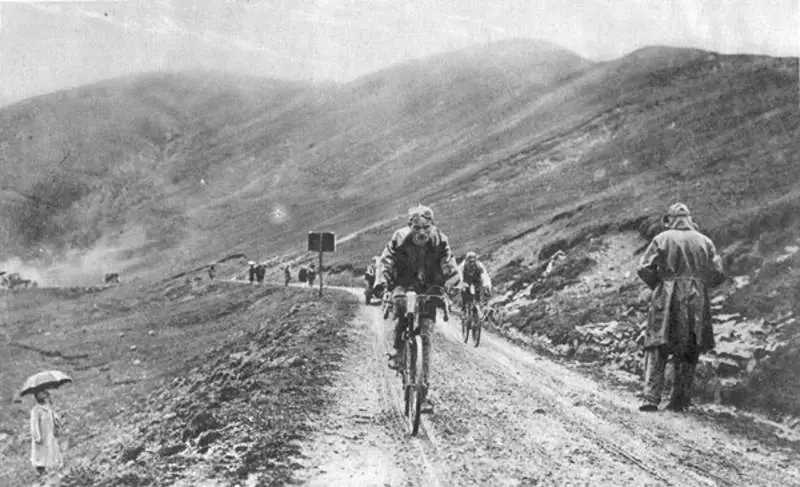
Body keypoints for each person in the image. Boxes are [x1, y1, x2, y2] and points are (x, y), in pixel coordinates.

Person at [636, 203, 726, 412]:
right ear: (689, 218)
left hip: (665, 296)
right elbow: (718, 272)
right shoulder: (705, 241)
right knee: (689, 346)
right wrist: (701, 284)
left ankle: (651, 398)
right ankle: (680, 400)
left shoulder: (662, 238)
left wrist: (659, 283)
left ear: (670, 219)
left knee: (657, 345)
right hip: (696, 299)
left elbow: (643, 268)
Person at [382, 204, 460, 413]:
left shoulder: (440, 240)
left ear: (432, 225)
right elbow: (387, 260)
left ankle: (423, 394)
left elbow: (450, 266)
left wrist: (451, 284)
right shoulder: (399, 238)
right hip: (404, 282)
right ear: (410, 226)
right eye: (417, 228)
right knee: (401, 308)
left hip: (430, 286)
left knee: (425, 337)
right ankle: (399, 351)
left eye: (426, 227)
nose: (422, 232)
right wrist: (386, 282)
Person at [30, 389, 63, 477]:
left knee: (52, 450)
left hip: (50, 433)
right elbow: (34, 424)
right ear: (36, 397)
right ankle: (41, 470)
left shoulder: (48, 408)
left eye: (43, 394)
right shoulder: (36, 410)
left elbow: (54, 417)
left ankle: (53, 468)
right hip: (41, 435)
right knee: (41, 454)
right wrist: (37, 436)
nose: (42, 396)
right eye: (39, 394)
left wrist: (57, 421)